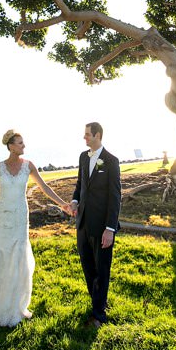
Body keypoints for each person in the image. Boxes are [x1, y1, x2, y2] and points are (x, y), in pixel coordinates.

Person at [0, 130, 72, 329]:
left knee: (17, 256)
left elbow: (44, 187)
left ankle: (13, 305)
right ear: (11, 146)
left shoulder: (28, 166)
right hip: (1, 216)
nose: (24, 146)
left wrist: (63, 204)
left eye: (23, 143)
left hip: (20, 217)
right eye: (20, 143)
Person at [69, 122, 121, 329]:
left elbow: (115, 197)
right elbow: (80, 185)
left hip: (101, 226)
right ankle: (97, 301)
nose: (85, 138)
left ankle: (99, 315)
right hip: (82, 223)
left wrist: (110, 228)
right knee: (88, 267)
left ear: (97, 135)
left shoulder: (111, 161)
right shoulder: (83, 157)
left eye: (87, 135)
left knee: (102, 269)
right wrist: (74, 201)